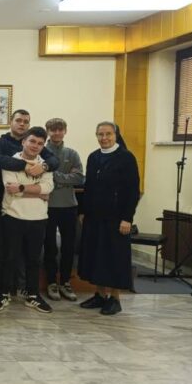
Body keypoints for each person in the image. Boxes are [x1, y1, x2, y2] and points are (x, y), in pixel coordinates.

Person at [0, 110, 59, 296]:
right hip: (6, 206)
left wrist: (44, 166)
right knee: (6, 252)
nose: (22, 124)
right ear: (11, 122)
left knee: (30, 255)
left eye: (26, 121)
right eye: (18, 120)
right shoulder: (1, 142)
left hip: (33, 212)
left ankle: (23, 289)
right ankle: (3, 291)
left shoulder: (36, 144)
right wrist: (25, 166)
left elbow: (54, 162)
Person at [78, 122, 140, 316]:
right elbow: (89, 186)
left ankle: (115, 298)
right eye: (100, 134)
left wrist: (127, 218)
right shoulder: (93, 157)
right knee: (96, 256)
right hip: (94, 217)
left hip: (116, 218)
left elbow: (132, 190)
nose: (104, 138)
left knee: (114, 257)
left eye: (108, 134)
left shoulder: (126, 157)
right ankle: (99, 294)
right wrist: (83, 211)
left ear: (116, 135)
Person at [43, 118, 84, 302]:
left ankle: (65, 282)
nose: (57, 133)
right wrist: (66, 178)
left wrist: (56, 177)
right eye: (53, 130)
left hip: (69, 206)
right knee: (50, 247)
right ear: (48, 132)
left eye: (60, 130)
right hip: (47, 206)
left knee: (69, 246)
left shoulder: (72, 153)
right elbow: (41, 177)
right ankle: (51, 282)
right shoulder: (42, 152)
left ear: (65, 131)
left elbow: (79, 178)